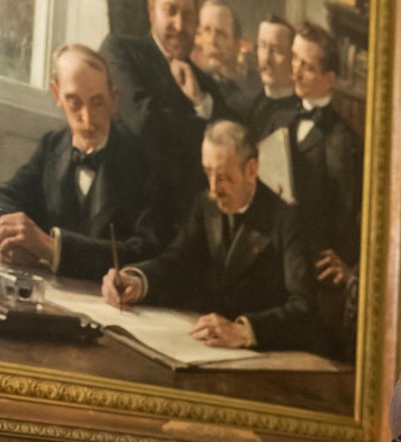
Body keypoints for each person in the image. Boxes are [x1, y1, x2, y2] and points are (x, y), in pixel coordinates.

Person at [103, 120, 320, 354]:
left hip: (265, 355)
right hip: (206, 348)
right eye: (208, 173)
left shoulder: (287, 221)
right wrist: (138, 280)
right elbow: (178, 262)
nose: (214, 189)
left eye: (223, 177)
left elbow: (305, 308)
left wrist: (245, 331)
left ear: (251, 170)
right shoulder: (206, 205)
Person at [0, 44, 173, 281]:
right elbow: (1, 195)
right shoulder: (52, 147)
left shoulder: (145, 161)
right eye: (74, 102)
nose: (87, 118)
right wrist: (6, 232)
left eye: (97, 102)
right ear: (57, 95)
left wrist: (54, 249)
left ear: (114, 100)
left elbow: (146, 250)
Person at [101, 0, 234, 207]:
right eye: (171, 11)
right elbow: (144, 122)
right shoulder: (120, 51)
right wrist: (201, 124)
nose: (180, 25)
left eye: (188, 15)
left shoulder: (206, 86)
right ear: (152, 11)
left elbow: (230, 146)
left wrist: (200, 102)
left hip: (186, 216)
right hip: (130, 205)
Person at [287, 22, 363, 361]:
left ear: (330, 79)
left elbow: (352, 211)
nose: (296, 71)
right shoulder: (285, 116)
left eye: (308, 65)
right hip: (283, 259)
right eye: (295, 59)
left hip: (318, 277)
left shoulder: (343, 141)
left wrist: (348, 265)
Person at [230, 15, 300, 143]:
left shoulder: (301, 113)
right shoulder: (247, 105)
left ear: (292, 58)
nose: (266, 58)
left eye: (276, 50)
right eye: (262, 46)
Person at [193, 1, 258, 105]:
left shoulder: (253, 90)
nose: (212, 41)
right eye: (207, 30)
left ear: (236, 44)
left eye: (220, 33)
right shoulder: (192, 82)